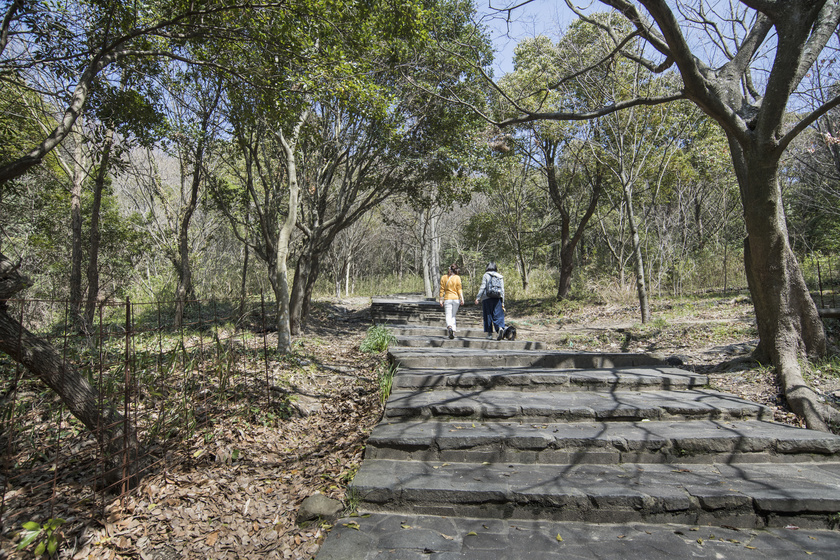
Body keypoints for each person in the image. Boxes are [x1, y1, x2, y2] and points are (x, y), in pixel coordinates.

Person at [475, 262, 508, 340]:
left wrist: (478, 297)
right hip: (497, 298)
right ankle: (500, 327)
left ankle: (489, 334)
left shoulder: (486, 275)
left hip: (487, 298)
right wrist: (502, 301)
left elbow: (483, 287)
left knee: (488, 315)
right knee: (498, 315)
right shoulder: (500, 276)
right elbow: (502, 290)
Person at [439, 263, 464, 339]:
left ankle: (449, 327)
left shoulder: (444, 277)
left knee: (448, 315)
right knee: (453, 315)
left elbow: (442, 289)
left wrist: (440, 299)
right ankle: (453, 330)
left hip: (447, 299)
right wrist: (462, 298)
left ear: (449, 269)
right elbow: (459, 289)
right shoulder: (457, 278)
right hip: (456, 299)